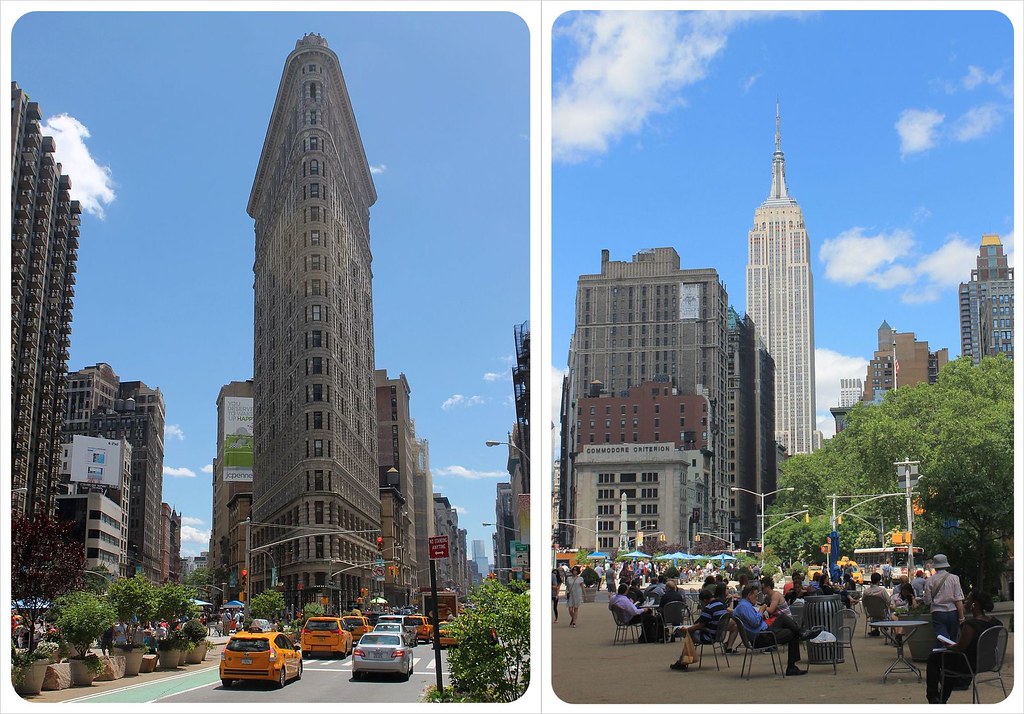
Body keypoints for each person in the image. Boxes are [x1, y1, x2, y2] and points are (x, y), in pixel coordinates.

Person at [925, 591, 1001, 704]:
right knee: (949, 662)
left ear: (974, 604)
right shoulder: (995, 622)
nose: (965, 602)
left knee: (934, 658)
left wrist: (949, 646)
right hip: (988, 662)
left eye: (968, 600)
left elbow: (960, 648)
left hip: (969, 664)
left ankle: (934, 698)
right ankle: (941, 699)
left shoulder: (971, 625)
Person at [733, 585, 817, 676]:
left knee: (782, 617)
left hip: (764, 632)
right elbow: (755, 622)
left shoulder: (742, 606)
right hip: (761, 637)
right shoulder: (744, 607)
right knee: (792, 633)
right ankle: (791, 666)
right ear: (749, 595)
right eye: (755, 596)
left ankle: (800, 632)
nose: (757, 598)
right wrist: (761, 610)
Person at [670, 587, 730, 669]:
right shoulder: (721, 604)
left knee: (688, 634)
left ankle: (683, 661)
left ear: (705, 600)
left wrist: (687, 630)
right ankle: (683, 660)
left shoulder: (708, 608)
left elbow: (700, 625)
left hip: (708, 636)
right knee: (689, 632)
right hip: (718, 634)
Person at [923, 553, 965, 642]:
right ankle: (952, 655)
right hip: (953, 612)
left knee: (942, 639)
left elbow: (927, 601)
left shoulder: (929, 580)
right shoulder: (954, 578)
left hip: (937, 612)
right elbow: (958, 599)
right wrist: (961, 617)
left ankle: (942, 654)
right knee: (953, 640)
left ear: (935, 566)